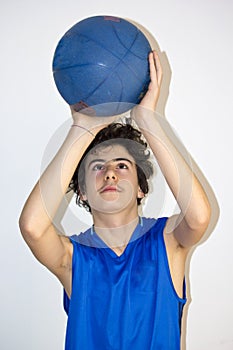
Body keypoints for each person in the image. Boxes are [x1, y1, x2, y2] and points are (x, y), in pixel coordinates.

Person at [19, 51, 212, 349]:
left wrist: (148, 120)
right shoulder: (73, 258)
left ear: (140, 189)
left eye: (122, 165)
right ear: (82, 192)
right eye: (97, 167)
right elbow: (32, 227)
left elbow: (198, 217)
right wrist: (84, 129)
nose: (110, 173)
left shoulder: (167, 242)